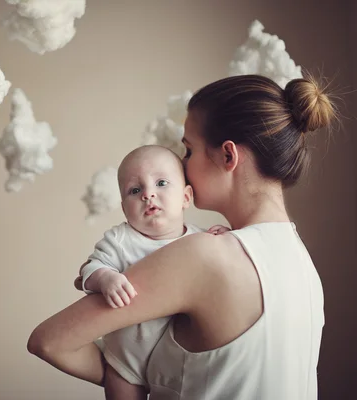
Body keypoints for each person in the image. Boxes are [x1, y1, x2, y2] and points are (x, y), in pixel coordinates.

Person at [28, 74, 337, 399]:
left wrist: (124, 374)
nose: (183, 166)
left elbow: (48, 341)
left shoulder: (203, 255)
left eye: (188, 151)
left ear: (228, 156)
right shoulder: (304, 268)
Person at [74, 144, 227, 399]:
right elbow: (89, 270)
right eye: (135, 190)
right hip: (125, 361)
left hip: (176, 360)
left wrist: (223, 237)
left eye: (161, 183)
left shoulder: (201, 241)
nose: (148, 195)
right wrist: (106, 278)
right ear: (124, 209)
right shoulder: (121, 240)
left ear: (186, 197)